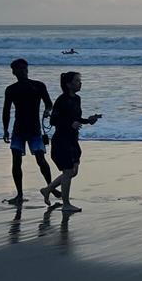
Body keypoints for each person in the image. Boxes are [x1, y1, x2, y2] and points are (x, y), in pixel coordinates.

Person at [40, 72, 101, 213]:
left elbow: (76, 119)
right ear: (68, 84)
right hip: (61, 140)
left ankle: (47, 189)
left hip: (73, 139)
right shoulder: (62, 100)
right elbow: (53, 121)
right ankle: (66, 204)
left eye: (80, 81)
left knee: (73, 171)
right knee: (67, 171)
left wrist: (88, 120)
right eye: (77, 81)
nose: (80, 83)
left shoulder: (77, 99)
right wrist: (70, 124)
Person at [2, 58, 57, 204]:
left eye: (24, 69)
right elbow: (6, 111)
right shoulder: (11, 89)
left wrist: (47, 111)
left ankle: (50, 187)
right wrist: (5, 130)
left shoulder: (38, 86)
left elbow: (49, 104)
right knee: (16, 162)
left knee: (41, 160)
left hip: (35, 129)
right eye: (19, 69)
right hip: (18, 130)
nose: (23, 71)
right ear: (13, 72)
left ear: (27, 69)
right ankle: (19, 194)